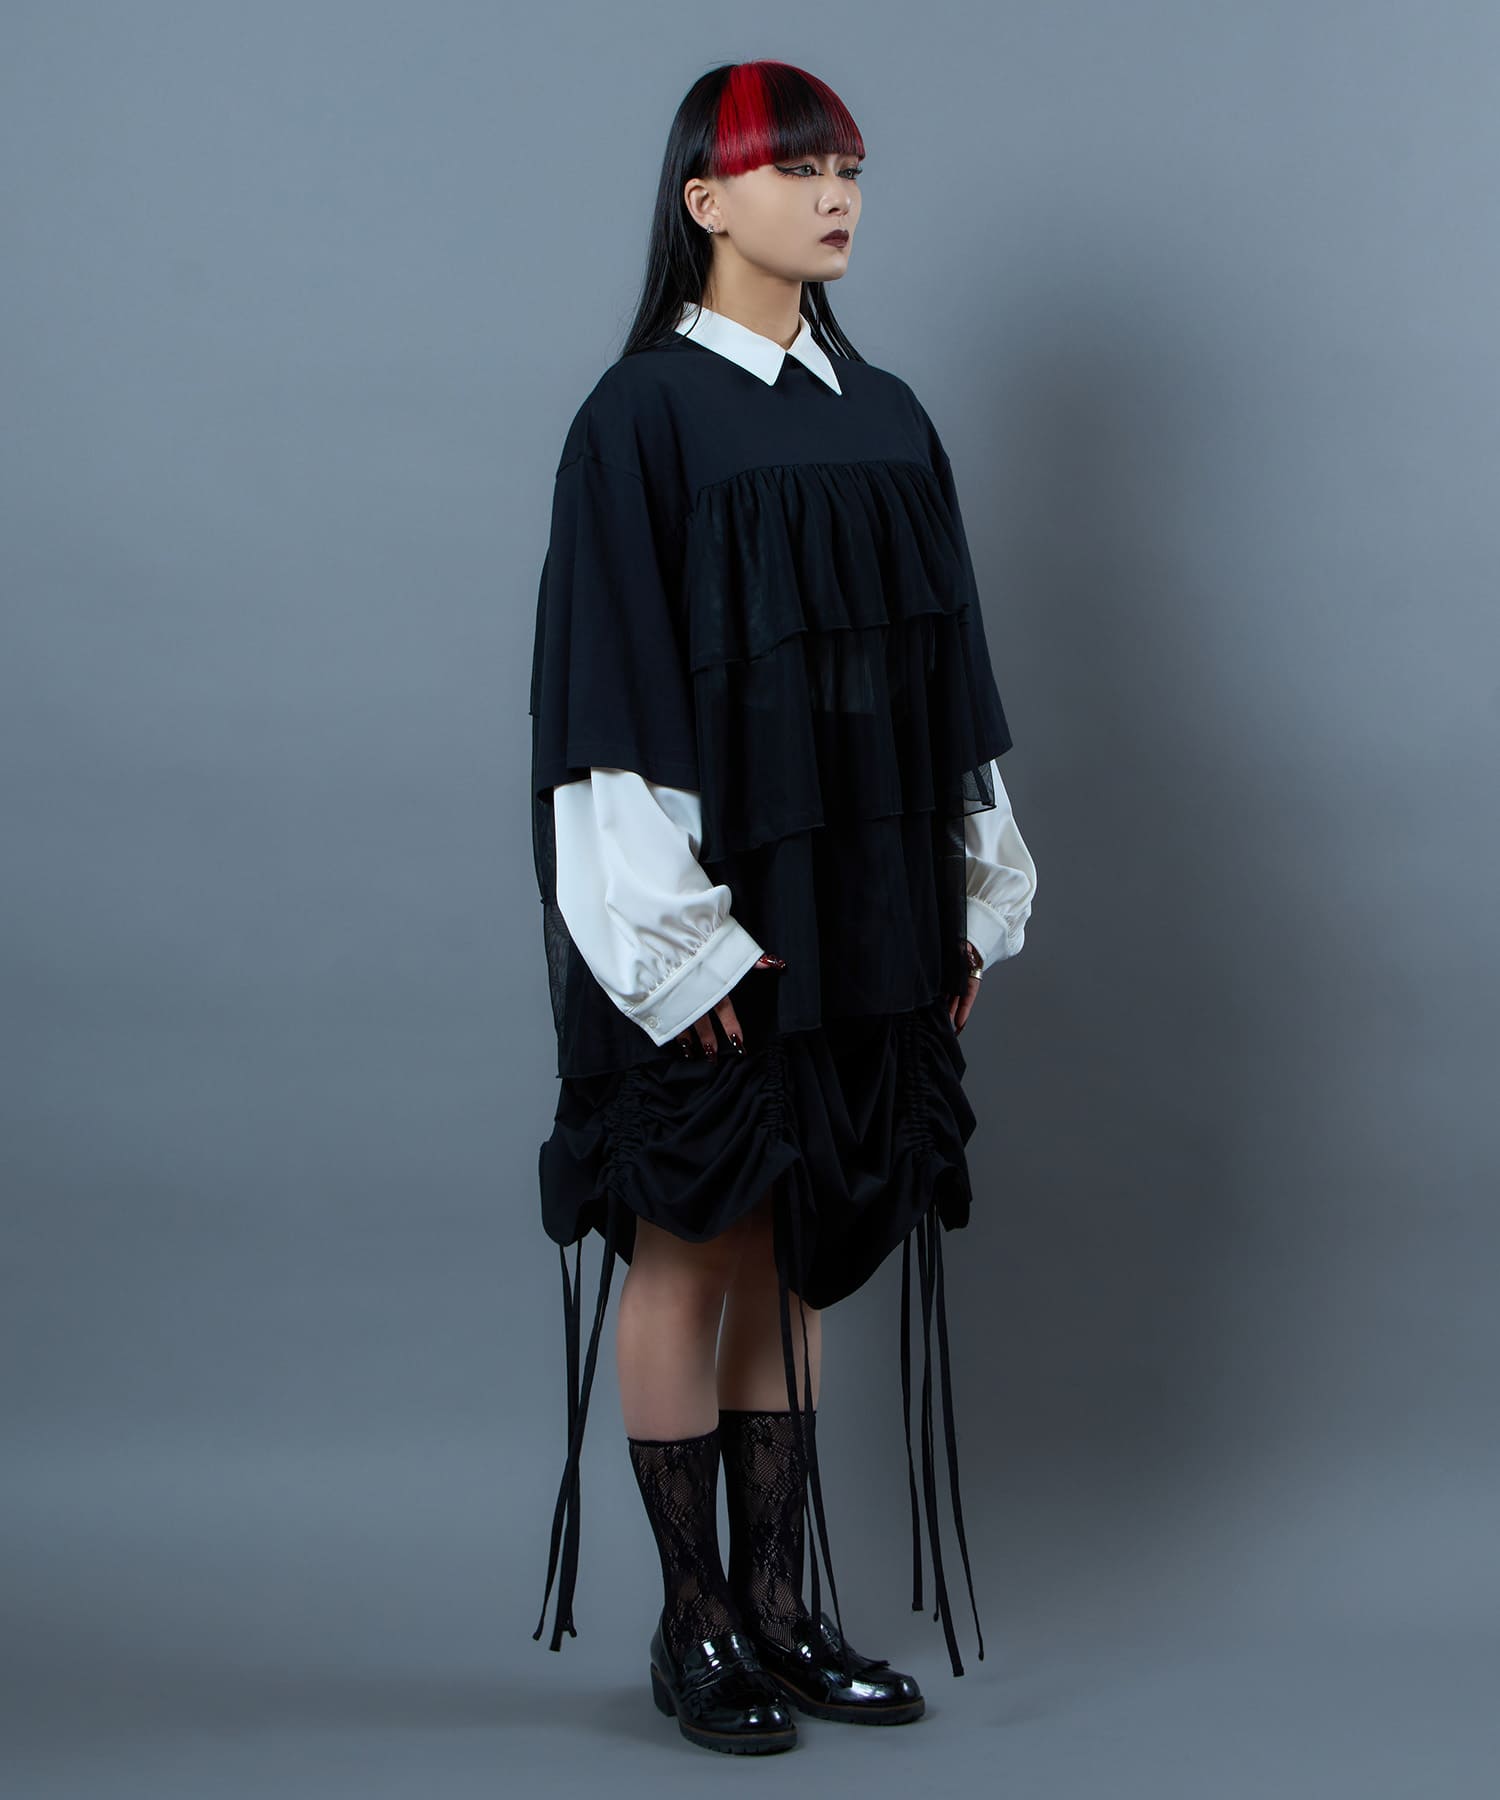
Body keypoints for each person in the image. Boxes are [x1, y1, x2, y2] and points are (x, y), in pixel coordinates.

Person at [526, 59, 1037, 1755]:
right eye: (798, 167)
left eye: (851, 170)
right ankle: (695, 1629)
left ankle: (783, 1608)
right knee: (694, 1246)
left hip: (861, 908)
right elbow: (603, 701)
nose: (836, 197)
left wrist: (969, 888)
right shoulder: (641, 420)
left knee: (798, 1259)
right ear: (706, 201)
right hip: (709, 909)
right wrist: (678, 947)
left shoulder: (885, 414)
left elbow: (946, 683)